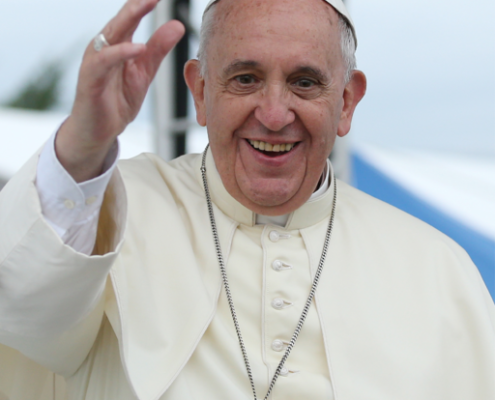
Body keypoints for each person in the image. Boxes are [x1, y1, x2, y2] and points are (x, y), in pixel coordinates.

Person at [1, 0, 495, 399]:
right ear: (198, 91)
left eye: (305, 82)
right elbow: (22, 308)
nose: (275, 114)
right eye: (246, 79)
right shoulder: (106, 212)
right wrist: (82, 150)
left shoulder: (437, 270)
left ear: (345, 103)